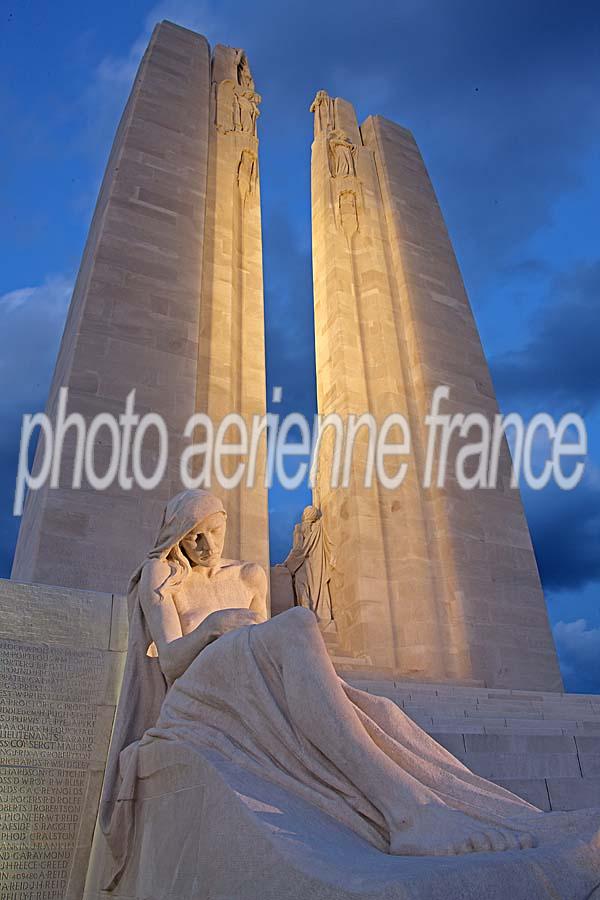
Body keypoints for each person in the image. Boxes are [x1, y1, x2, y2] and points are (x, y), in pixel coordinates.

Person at [101, 489, 549, 889]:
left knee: (381, 712)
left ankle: (428, 800)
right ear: (177, 536)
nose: (205, 545)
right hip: (197, 689)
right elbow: (173, 662)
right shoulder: (162, 575)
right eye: (194, 535)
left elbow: (263, 641)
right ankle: (408, 810)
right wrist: (213, 627)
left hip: (246, 679)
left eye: (214, 531)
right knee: (296, 621)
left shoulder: (249, 577)